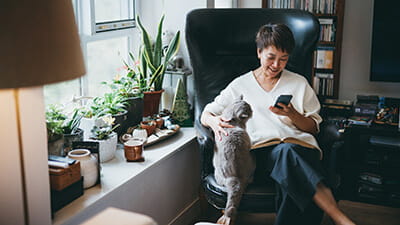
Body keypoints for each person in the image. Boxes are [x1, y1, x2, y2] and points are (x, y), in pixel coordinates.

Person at [200, 23, 355, 225]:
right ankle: (339, 217)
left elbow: (313, 127)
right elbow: (207, 112)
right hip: (259, 156)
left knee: (288, 158)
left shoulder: (299, 83)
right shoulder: (240, 84)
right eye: (271, 57)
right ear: (259, 52)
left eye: (283, 59)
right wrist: (214, 122)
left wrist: (292, 113)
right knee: (286, 157)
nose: (276, 65)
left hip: (300, 149)